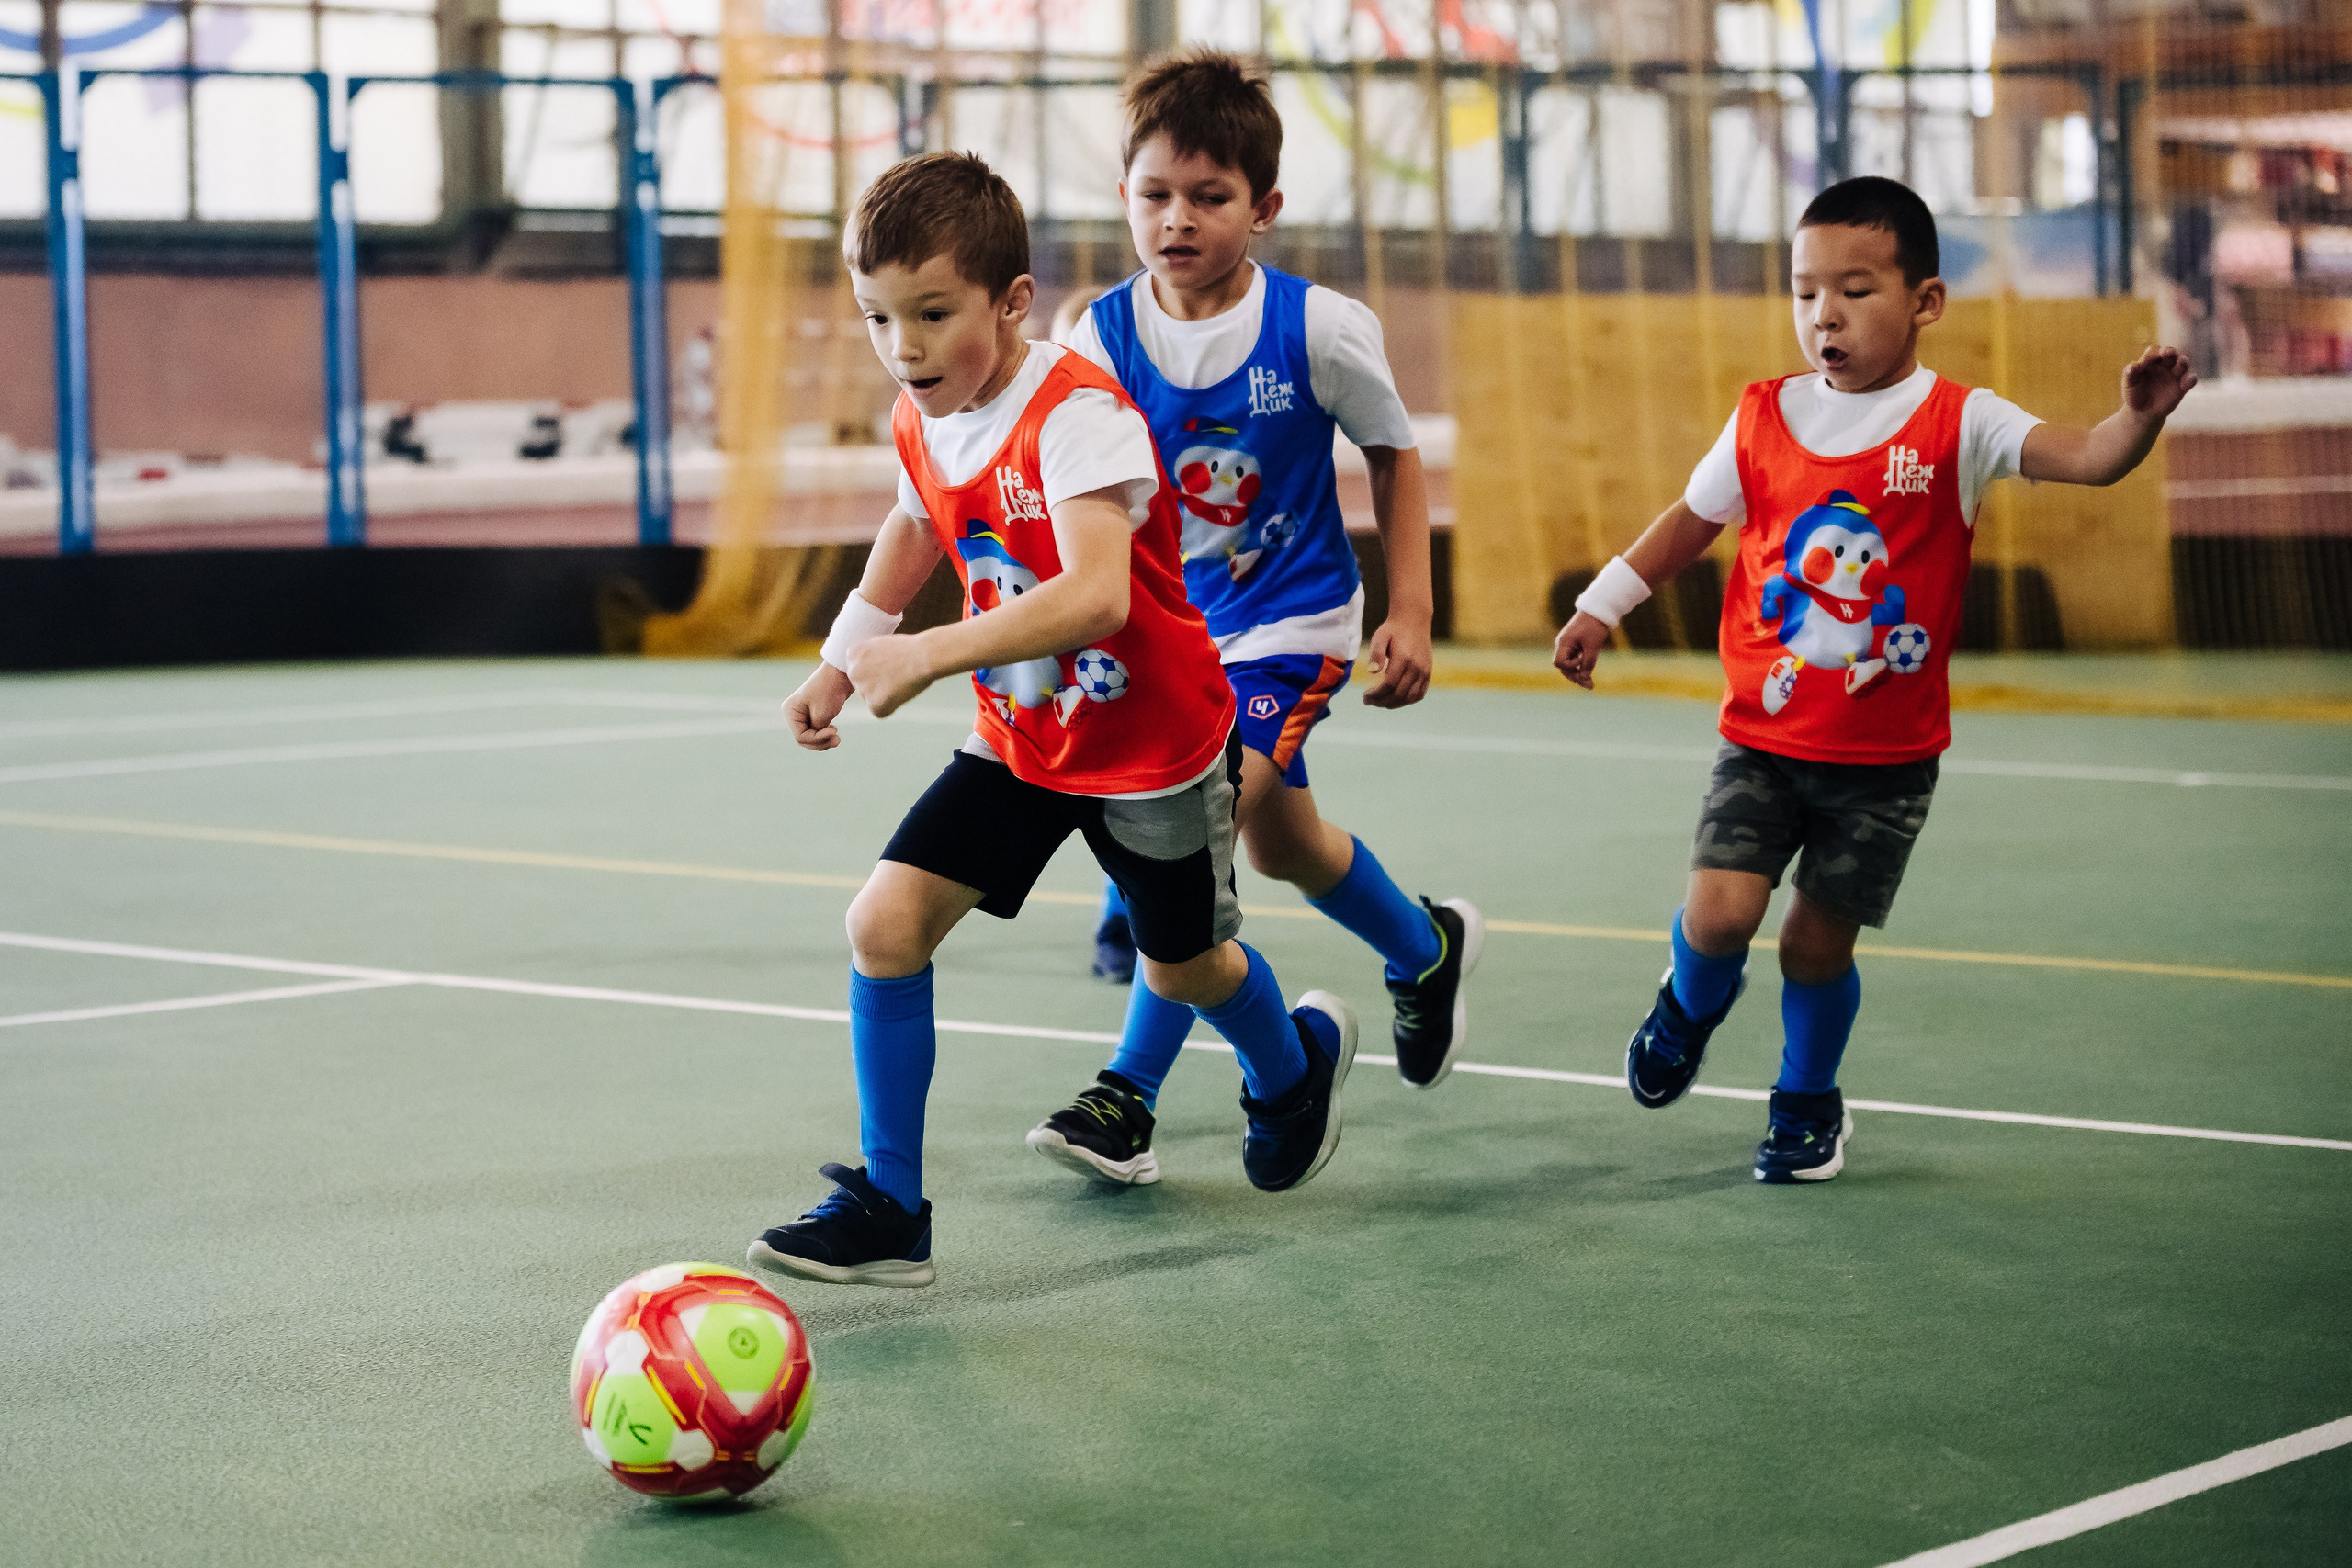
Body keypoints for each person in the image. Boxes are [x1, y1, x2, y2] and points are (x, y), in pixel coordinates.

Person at [751, 152, 1359, 1289]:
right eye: (880, 318)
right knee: (884, 927)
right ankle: (893, 1209)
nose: (906, 346)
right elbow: (912, 528)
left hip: (1153, 754)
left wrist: (924, 653)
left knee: (1185, 971)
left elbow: (1096, 596)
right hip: (1023, 741)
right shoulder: (921, 417)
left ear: (1012, 302)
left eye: (934, 315)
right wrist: (838, 662)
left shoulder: (1077, 415)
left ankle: (1291, 1071)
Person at [1553, 175, 2196, 1184]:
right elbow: (1688, 521)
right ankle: (1686, 1005)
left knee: (1815, 947)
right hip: (1760, 738)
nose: (1825, 316)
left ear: (1924, 303)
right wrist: (1601, 605)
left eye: (1854, 290)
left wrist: (2137, 421)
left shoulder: (1960, 422)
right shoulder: (1763, 415)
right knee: (1719, 919)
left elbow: (2084, 457)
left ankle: (1806, 1100)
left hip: (1885, 763)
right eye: (1806, 293)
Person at [1025, 49, 1481, 1190]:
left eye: (1209, 197)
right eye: (1153, 196)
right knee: (1285, 845)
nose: (1176, 220)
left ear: (1263, 209)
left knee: (1210, 820)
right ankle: (1426, 952)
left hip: (1293, 625)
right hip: (1177, 633)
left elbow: (1395, 453)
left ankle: (1124, 1095)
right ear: (1124, 197)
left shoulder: (1317, 328)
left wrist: (1413, 611)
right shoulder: (1098, 335)